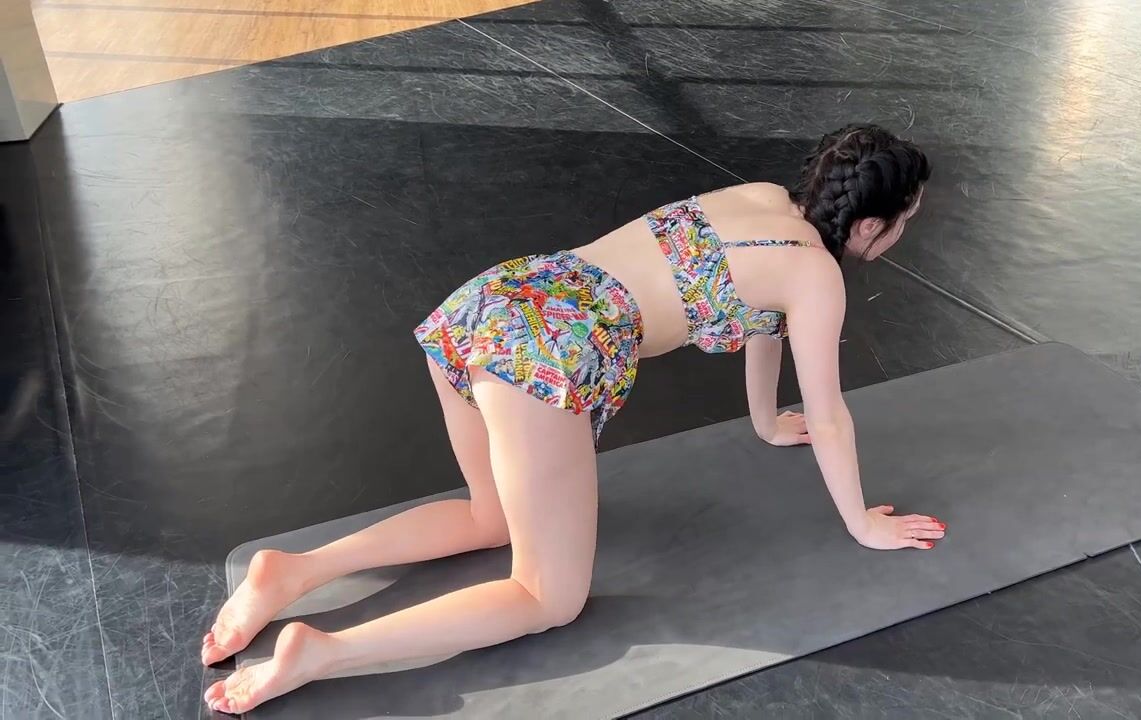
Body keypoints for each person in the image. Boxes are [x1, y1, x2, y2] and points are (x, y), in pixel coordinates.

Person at [202, 123, 945, 714]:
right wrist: (861, 524)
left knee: (490, 517)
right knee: (547, 597)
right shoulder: (816, 276)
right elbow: (830, 414)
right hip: (547, 349)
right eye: (905, 221)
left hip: (499, 297)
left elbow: (763, 322)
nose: (903, 233)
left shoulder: (762, 197)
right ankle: (321, 653)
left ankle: (294, 570)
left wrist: (765, 422)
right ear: (870, 226)